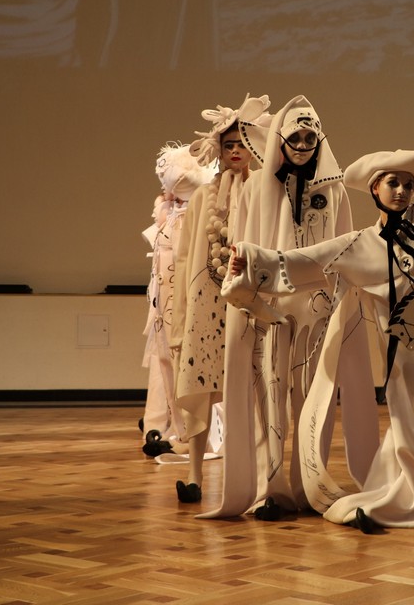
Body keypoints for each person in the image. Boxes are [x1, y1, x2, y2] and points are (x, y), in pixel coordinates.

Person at [225, 148, 414, 532]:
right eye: (393, 183)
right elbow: (304, 260)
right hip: (413, 345)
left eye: (408, 184)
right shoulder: (361, 244)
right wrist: (250, 260)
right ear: (375, 188)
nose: (401, 190)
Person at [200, 95, 377, 521]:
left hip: (317, 308)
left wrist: (338, 302)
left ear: (319, 141)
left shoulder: (334, 190)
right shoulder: (256, 188)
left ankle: (307, 484)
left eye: (308, 138)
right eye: (293, 137)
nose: (301, 145)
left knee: (314, 398)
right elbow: (241, 243)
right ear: (280, 139)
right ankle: (271, 489)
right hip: (269, 307)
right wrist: (245, 282)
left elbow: (345, 247)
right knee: (269, 395)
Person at [168, 94, 270, 502]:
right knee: (202, 387)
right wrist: (179, 321)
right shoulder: (202, 199)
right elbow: (184, 259)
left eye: (243, 144)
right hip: (207, 300)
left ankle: (261, 476)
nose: (236, 152)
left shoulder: (264, 194)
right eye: (229, 145)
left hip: (250, 299)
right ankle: (194, 475)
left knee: (256, 388)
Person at [139, 141, 213, 456]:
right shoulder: (171, 214)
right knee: (165, 362)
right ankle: (169, 425)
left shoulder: (191, 217)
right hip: (164, 302)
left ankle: (188, 432)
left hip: (184, 301)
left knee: (185, 363)